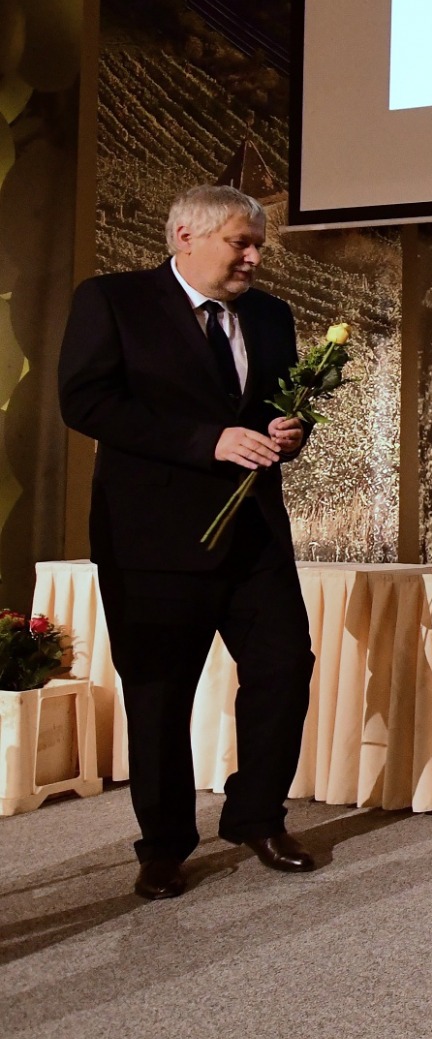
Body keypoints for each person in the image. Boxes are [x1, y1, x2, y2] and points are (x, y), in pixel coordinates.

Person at [57, 184, 318, 900]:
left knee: (284, 668)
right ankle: (165, 845)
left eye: (257, 244)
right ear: (185, 237)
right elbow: (85, 400)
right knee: (159, 695)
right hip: (151, 539)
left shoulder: (271, 314)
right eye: (241, 243)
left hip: (253, 534)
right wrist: (208, 442)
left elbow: (276, 408)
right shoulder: (113, 300)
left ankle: (256, 815)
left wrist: (288, 433)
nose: (255, 257)